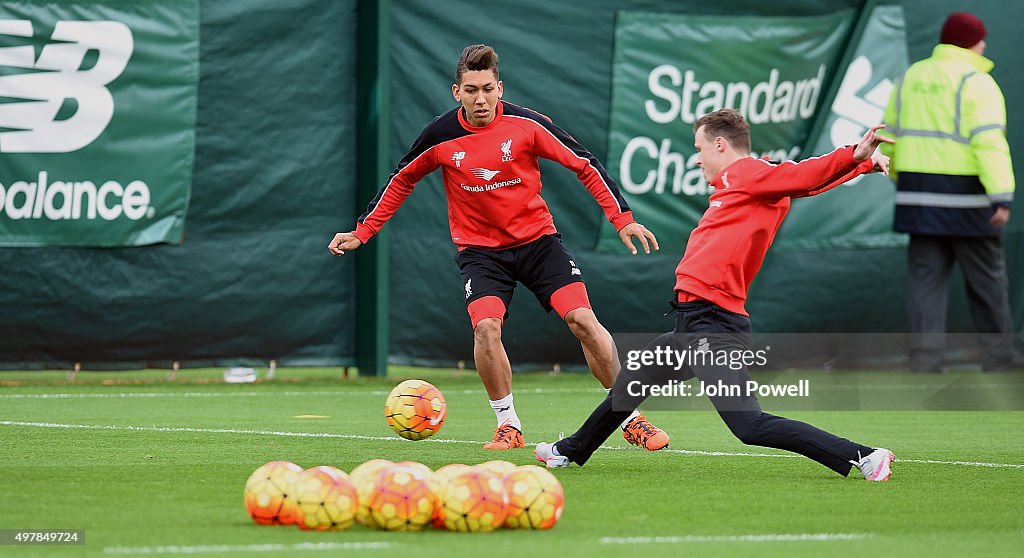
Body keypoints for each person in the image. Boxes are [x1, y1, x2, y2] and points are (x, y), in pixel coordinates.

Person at [329, 44, 669, 451]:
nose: (481, 99)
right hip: (481, 254)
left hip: (539, 244)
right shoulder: (440, 135)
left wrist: (623, 218)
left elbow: (584, 162)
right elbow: (402, 178)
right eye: (471, 90)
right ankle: (508, 426)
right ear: (457, 92)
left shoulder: (526, 124)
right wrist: (362, 231)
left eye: (488, 89)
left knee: (583, 320)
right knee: (485, 327)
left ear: (499, 88)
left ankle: (628, 416)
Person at [536, 108, 897, 482]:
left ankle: (865, 456)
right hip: (690, 324)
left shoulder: (747, 174)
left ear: (720, 144)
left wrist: (856, 154)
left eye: (700, 148)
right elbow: (803, 183)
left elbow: (803, 176)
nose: (697, 158)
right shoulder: (751, 183)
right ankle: (569, 451)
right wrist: (862, 166)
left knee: (750, 426)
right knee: (631, 385)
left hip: (711, 326)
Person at [880, 12, 1019, 373]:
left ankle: (925, 360)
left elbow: (888, 135)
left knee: (925, 285)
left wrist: (900, 177)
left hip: (917, 197)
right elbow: (989, 144)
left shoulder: (911, 76)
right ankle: (1000, 356)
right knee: (987, 283)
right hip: (969, 201)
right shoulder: (978, 81)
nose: (985, 45)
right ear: (972, 42)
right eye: (982, 39)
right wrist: (1001, 196)